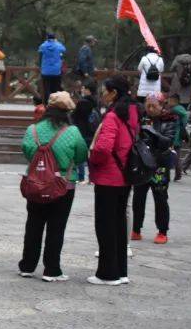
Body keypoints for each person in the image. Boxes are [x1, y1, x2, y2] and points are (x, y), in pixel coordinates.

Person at [17, 91, 87, 281]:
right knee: (57, 227)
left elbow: (26, 150)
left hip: (35, 184)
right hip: (63, 186)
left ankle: (27, 266)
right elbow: (82, 155)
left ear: (48, 109)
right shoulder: (72, 132)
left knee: (33, 224)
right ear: (67, 112)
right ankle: (52, 270)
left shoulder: (32, 130)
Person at [87, 76, 139, 285]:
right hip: (126, 175)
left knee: (105, 225)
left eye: (105, 90)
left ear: (114, 93)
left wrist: (93, 160)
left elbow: (103, 148)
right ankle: (121, 272)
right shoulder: (133, 112)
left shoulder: (112, 116)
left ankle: (107, 274)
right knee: (118, 224)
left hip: (109, 177)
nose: (102, 94)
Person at [132, 94, 177, 245]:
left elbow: (168, 141)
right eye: (148, 105)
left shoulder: (169, 119)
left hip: (160, 165)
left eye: (154, 106)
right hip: (143, 163)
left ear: (161, 105)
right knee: (138, 197)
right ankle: (136, 229)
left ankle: (162, 231)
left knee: (160, 198)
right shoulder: (141, 117)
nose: (150, 109)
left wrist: (152, 132)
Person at [72, 81, 100, 184]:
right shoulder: (96, 102)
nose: (82, 90)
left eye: (84, 88)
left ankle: (80, 177)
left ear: (88, 90)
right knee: (90, 156)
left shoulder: (81, 103)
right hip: (92, 132)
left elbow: (74, 116)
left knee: (79, 155)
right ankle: (92, 177)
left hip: (81, 132)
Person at [38, 33, 66, 100]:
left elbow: (40, 53)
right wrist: (57, 42)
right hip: (56, 71)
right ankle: (54, 104)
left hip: (45, 71)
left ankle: (47, 104)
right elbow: (64, 49)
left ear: (47, 38)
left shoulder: (43, 45)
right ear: (55, 38)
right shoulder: (58, 45)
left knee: (46, 88)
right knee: (56, 88)